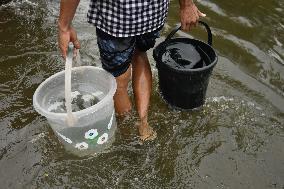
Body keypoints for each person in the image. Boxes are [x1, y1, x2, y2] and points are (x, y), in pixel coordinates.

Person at [58, 0, 205, 141]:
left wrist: (64, 26)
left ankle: (128, 134)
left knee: (118, 79)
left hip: (115, 17)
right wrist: (187, 4)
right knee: (140, 54)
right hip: (152, 14)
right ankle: (143, 124)